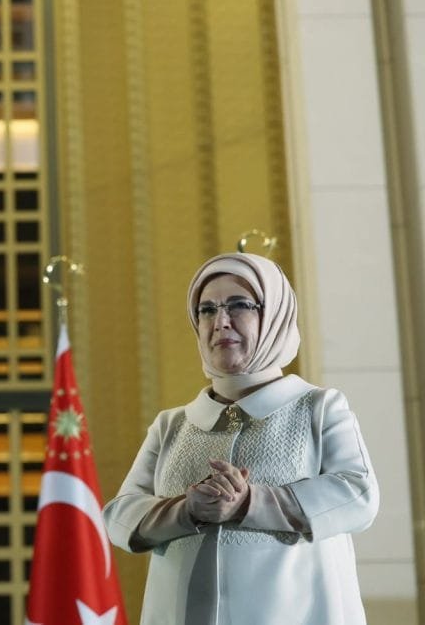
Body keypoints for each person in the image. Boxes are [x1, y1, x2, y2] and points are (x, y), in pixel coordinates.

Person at [102, 252, 378, 624]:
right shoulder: (172, 425)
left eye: (238, 305)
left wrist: (251, 502)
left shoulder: (319, 408)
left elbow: (359, 495)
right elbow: (118, 515)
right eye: (206, 309)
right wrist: (187, 511)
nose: (221, 322)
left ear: (275, 315)